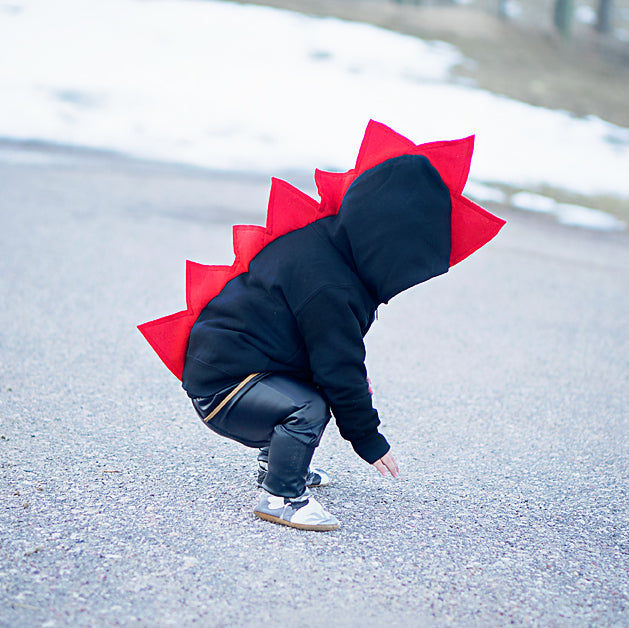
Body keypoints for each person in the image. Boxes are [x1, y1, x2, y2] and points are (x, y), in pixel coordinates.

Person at [139, 122, 505, 532]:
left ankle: (279, 462)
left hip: (237, 367)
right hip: (224, 388)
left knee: (319, 391)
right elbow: (338, 367)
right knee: (309, 405)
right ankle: (281, 496)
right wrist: (368, 438)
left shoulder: (329, 246)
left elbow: (326, 353)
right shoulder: (330, 284)